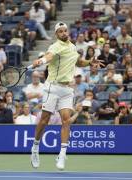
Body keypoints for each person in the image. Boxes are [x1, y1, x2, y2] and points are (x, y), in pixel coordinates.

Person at [30, 22, 103, 170]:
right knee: (44, 120)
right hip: (52, 87)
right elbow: (49, 56)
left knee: (66, 120)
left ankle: (62, 154)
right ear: (57, 34)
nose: (64, 33)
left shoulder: (72, 47)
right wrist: (42, 60)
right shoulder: (55, 46)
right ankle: (35, 147)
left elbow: (78, 62)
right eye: (60, 32)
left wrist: (90, 62)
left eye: (65, 31)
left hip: (66, 89)